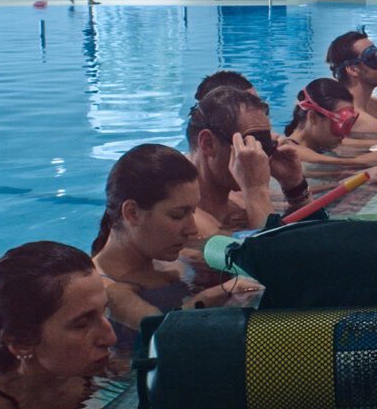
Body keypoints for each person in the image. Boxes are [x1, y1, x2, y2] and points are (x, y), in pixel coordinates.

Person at [90, 144, 261, 352]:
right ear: (132, 213)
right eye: (177, 215)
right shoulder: (107, 289)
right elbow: (164, 333)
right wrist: (218, 293)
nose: (192, 228)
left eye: (193, 211)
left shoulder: (170, 254)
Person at [0, 241, 118, 409]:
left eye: (104, 311)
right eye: (81, 325)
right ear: (21, 343)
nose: (110, 338)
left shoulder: (89, 368)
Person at [187, 86, 308, 235]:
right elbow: (273, 256)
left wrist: (294, 187)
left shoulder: (239, 199)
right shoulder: (187, 223)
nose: (261, 156)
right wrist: (255, 190)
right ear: (208, 143)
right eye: (251, 144)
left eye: (266, 145)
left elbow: (311, 236)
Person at [284, 79, 377, 168]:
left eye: (350, 123)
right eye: (342, 124)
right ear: (314, 118)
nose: (345, 133)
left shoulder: (323, 143)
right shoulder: (290, 151)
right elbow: (353, 163)